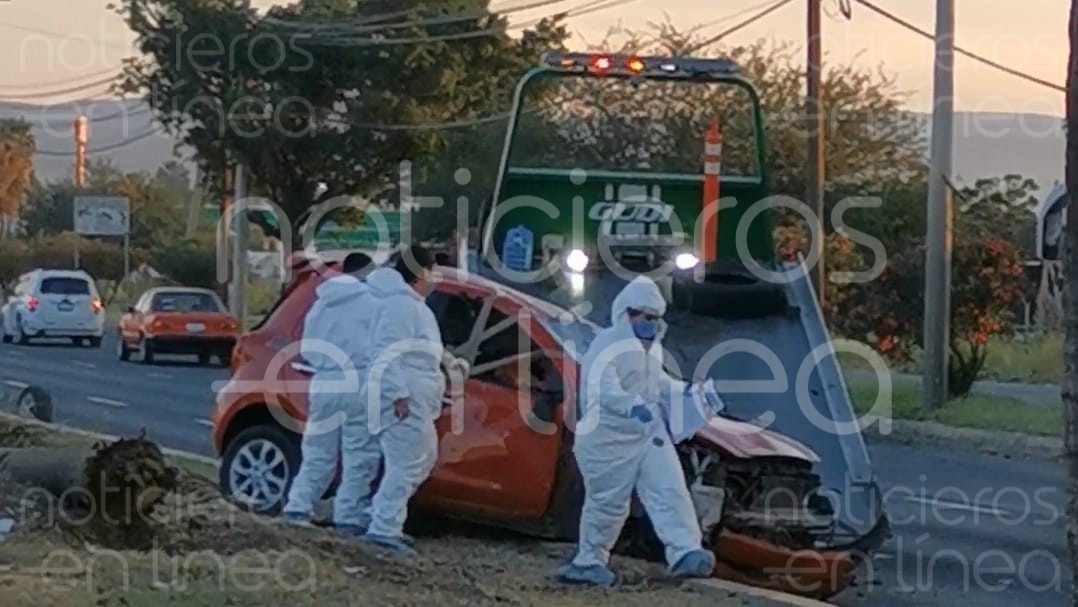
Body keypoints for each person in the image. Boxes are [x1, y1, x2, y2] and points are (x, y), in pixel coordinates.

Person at [556, 276, 716, 586]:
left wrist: (688, 392)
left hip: (645, 434)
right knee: (608, 502)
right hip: (608, 439)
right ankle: (589, 559)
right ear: (627, 314)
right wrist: (631, 406)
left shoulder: (651, 350)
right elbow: (601, 387)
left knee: (670, 490)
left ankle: (685, 551)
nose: (652, 324)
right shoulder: (606, 345)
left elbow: (658, 382)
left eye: (656, 318)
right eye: (646, 317)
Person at [356, 245, 445, 558]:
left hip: (416, 395)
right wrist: (397, 393)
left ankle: (384, 517)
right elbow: (386, 350)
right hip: (404, 397)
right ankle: (383, 528)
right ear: (421, 272)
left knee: (418, 459)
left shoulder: (412, 306)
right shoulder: (401, 307)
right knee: (405, 462)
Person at [281, 252, 376, 527]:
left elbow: (307, 345)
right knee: (359, 455)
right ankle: (348, 514)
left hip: (323, 380)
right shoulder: (373, 303)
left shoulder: (321, 304)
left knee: (317, 452)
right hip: (358, 380)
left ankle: (298, 506)